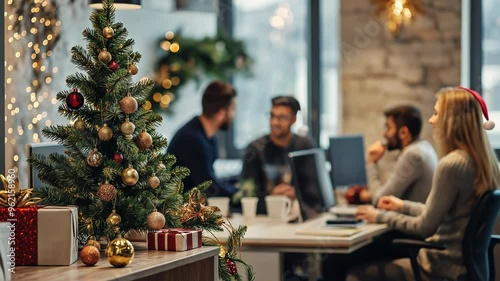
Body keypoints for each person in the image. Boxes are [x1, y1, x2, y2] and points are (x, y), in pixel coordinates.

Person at [349, 86, 500, 281]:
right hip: (470, 269)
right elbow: (440, 213)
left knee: (353, 274)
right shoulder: (486, 163)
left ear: (452, 121)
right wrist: (402, 205)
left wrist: (379, 216)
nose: (431, 120)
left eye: (436, 113)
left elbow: (424, 227)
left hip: (440, 269)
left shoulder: (452, 165)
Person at [239, 96, 314, 214]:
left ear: (293, 119)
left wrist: (297, 194)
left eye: (282, 117)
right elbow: (245, 197)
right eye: (272, 116)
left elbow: (315, 190)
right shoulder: (255, 149)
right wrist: (271, 197)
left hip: (298, 214)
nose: (275, 122)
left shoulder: (304, 146)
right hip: (265, 219)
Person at [167, 80, 237, 198]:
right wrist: (241, 195)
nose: (234, 115)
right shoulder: (191, 140)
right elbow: (209, 188)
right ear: (220, 113)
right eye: (232, 109)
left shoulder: (207, 137)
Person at [363, 105, 438, 205]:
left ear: (403, 132)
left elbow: (380, 201)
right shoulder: (425, 146)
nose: (384, 133)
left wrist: (371, 163)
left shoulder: (412, 155)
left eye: (388, 128)